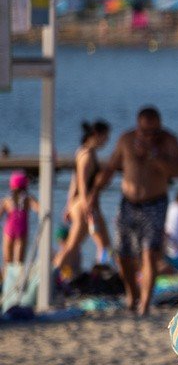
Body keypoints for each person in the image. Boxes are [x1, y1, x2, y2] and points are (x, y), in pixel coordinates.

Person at [102, 107, 178, 316]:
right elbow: (111, 167)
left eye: (153, 132)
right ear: (138, 127)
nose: (148, 136)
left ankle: (145, 304)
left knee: (150, 254)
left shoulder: (168, 140)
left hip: (155, 202)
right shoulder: (126, 139)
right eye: (144, 131)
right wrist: (92, 194)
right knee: (123, 254)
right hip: (128, 203)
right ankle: (132, 293)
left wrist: (154, 157)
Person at [51, 120, 113, 280]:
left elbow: (74, 182)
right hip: (85, 205)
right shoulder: (87, 156)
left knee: (96, 244)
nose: (107, 141)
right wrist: (87, 208)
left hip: (80, 204)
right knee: (80, 245)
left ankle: (57, 275)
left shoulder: (83, 152)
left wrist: (68, 204)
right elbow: (82, 183)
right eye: (105, 137)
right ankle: (52, 276)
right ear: (96, 135)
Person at [3, 172, 38, 268]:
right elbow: (39, 209)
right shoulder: (28, 198)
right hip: (22, 230)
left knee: (7, 261)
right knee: (19, 262)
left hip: (9, 230)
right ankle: (18, 280)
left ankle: (6, 279)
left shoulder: (7, 200)